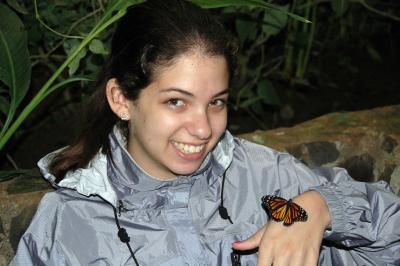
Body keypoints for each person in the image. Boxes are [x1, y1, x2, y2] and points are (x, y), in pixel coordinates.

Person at [11, 0, 400, 265]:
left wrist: (320, 208)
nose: (203, 128)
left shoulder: (264, 174)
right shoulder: (67, 226)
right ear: (121, 99)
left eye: (216, 102)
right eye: (176, 102)